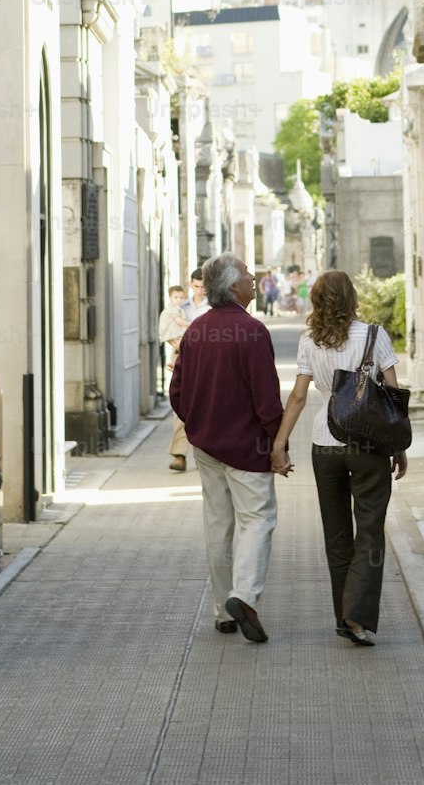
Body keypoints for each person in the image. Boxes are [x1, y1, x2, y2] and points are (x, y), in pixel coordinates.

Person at [271, 270, 407, 646]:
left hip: (324, 443)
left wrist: (280, 443)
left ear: (316, 300)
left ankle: (344, 618)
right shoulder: (375, 336)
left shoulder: (308, 340)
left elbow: (297, 397)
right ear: (352, 297)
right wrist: (399, 446)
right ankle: (357, 616)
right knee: (370, 532)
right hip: (368, 444)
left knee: (336, 535)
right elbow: (393, 396)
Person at [170, 252, 283, 642]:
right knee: (257, 519)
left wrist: (196, 423)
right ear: (235, 286)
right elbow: (266, 398)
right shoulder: (252, 331)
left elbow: (177, 392)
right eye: (249, 275)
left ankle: (223, 611)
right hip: (248, 446)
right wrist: (277, 442)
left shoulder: (196, 331)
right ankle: (244, 595)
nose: (254, 279)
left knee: (218, 524)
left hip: (206, 445)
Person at [157, 285, 191, 473]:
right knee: (181, 404)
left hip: (206, 360)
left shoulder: (212, 307)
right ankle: (180, 455)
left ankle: (212, 455)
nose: (200, 289)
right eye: (197, 286)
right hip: (181, 357)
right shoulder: (182, 309)